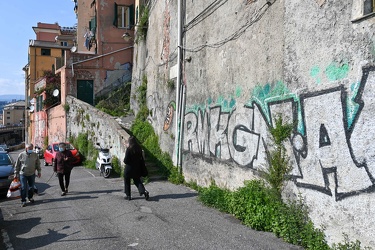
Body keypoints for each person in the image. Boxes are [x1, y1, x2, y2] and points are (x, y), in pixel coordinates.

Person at [123, 136, 149, 201]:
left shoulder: (129, 149)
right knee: (137, 181)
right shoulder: (139, 149)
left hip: (129, 168)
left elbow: (126, 160)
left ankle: (128, 195)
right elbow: (141, 159)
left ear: (130, 142)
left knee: (127, 181)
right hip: (137, 168)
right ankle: (144, 191)